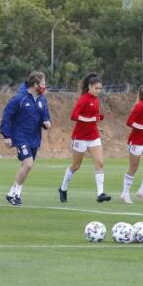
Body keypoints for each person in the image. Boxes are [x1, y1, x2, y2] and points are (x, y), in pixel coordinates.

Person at [58, 73, 110, 203]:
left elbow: (93, 116)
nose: (99, 91)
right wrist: (91, 119)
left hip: (93, 136)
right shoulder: (83, 99)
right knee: (75, 166)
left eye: (100, 89)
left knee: (100, 163)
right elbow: (74, 116)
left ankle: (100, 194)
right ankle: (63, 188)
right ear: (90, 87)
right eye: (97, 88)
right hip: (80, 137)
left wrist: (97, 118)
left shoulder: (96, 100)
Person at [0, 71, 51, 206]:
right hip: (21, 137)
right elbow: (7, 117)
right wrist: (7, 136)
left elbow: (45, 116)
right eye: (43, 83)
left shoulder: (42, 99)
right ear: (35, 84)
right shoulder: (19, 99)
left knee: (27, 166)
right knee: (28, 163)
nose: (45, 86)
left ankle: (12, 193)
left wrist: (46, 123)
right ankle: (15, 194)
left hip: (35, 138)